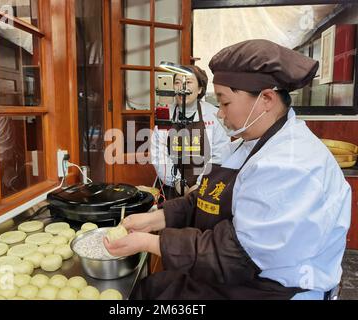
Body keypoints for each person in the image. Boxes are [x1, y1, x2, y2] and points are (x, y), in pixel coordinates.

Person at [104, 39, 351, 300]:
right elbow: (208, 197)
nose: (220, 114)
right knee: (151, 289)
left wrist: (149, 242)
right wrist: (153, 219)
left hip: (270, 288)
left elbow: (236, 255)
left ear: (266, 99)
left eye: (225, 102)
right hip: (236, 270)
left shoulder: (289, 164)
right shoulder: (249, 143)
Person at [151, 65, 229, 200]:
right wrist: (175, 180)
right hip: (170, 188)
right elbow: (159, 154)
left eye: (188, 82)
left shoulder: (213, 115)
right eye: (177, 82)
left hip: (205, 186)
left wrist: (199, 184)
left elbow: (220, 153)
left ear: (200, 89)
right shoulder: (164, 114)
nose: (182, 87)